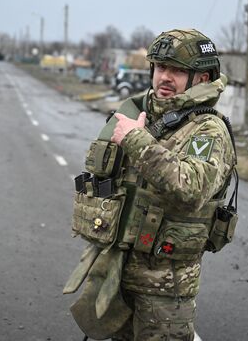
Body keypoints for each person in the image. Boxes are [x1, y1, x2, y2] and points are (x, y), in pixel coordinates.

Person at [64, 29, 238, 341]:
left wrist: (134, 139)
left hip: (164, 291)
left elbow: (191, 188)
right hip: (116, 275)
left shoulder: (208, 129)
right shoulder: (141, 114)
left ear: (203, 78)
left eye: (178, 70)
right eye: (160, 67)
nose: (165, 77)